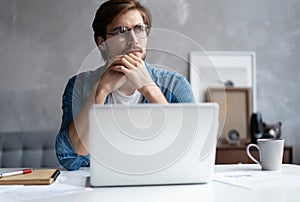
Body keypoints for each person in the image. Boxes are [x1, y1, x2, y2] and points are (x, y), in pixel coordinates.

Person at [55, 0, 195, 171]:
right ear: (102, 42)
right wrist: (101, 92)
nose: (133, 40)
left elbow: (188, 153)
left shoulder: (176, 84)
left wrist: (149, 89)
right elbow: (70, 157)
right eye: (121, 31)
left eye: (139, 29)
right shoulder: (79, 85)